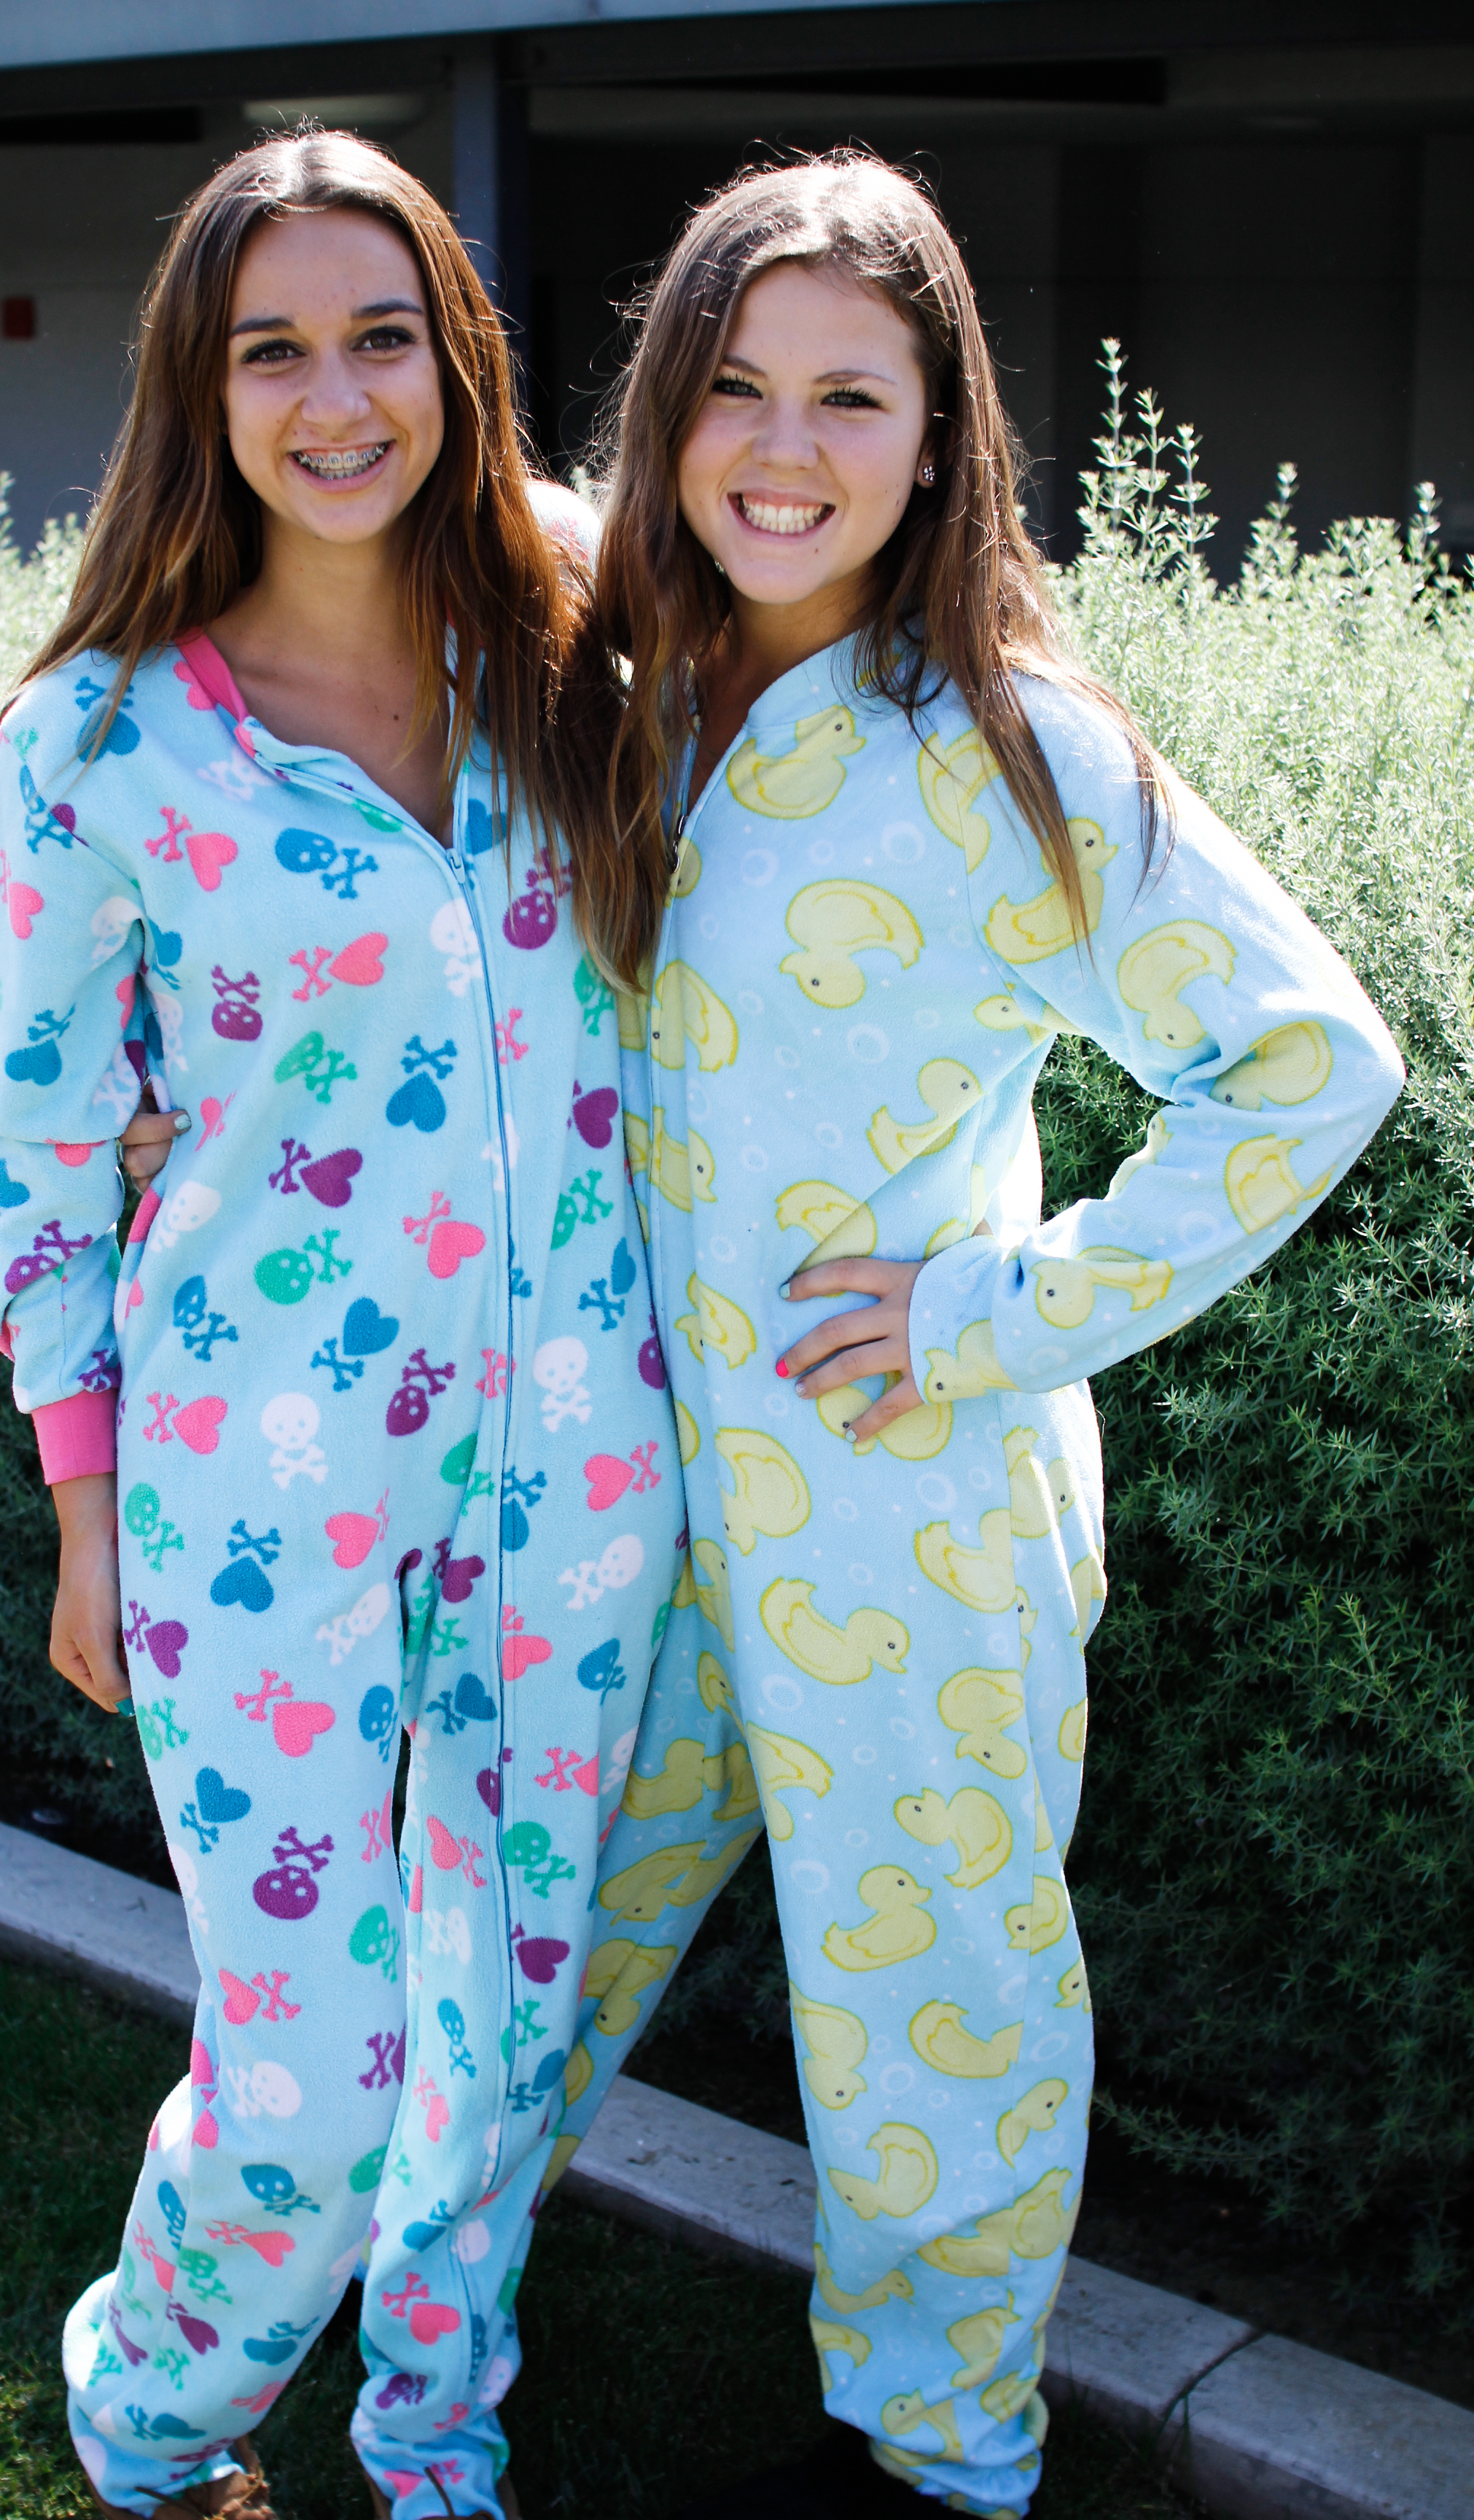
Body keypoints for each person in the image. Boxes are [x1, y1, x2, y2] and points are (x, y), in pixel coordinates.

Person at [551, 153, 1404, 2520]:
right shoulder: (630, 681)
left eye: (851, 393)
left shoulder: (1011, 744)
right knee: (521, 1928)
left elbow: (1314, 1064)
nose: (785, 447)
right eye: (731, 389)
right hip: (634, 1495)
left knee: (933, 2014)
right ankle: (420, 2313)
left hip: (908, 1509)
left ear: (944, 435)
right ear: (665, 417)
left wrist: (992, 1315)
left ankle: (938, 2459)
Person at [0, 129, 685, 2520]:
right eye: (273, 345)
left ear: (459, 363)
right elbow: (50, 1154)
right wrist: (83, 1512)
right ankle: (156, 2411)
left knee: (505, 2016)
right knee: (310, 2067)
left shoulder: (587, 628)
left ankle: (434, 2432)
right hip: (242, 1482)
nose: (337, 392)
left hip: (581, 1454)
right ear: (203, 386)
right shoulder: (98, 741)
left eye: (384, 332)